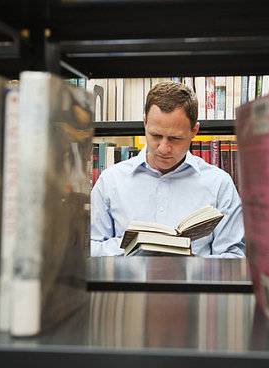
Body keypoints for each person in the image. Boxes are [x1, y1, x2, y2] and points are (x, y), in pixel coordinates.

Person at [91, 81, 245, 257]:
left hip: (194, 284)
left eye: (175, 138)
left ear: (194, 131)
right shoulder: (111, 180)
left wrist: (194, 265)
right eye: (156, 135)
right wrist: (131, 245)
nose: (164, 148)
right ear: (144, 124)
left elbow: (234, 256)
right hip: (128, 284)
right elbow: (88, 248)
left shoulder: (219, 184)